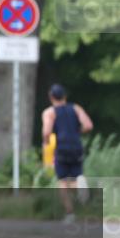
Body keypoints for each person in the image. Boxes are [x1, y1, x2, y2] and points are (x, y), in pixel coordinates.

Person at [41, 84, 94, 224]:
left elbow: (46, 132)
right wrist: (77, 132)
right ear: (64, 96)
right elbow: (88, 125)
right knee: (77, 175)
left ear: (51, 97)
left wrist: (46, 144)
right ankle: (80, 184)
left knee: (63, 182)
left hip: (61, 147)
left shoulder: (49, 112)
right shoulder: (76, 108)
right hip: (76, 146)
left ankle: (70, 214)